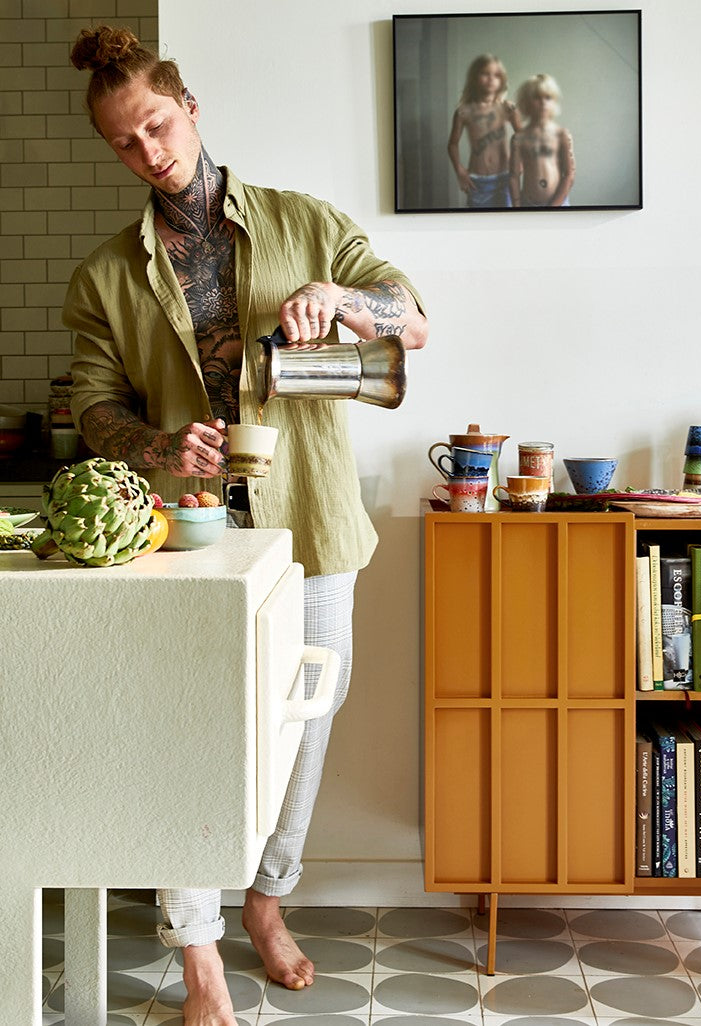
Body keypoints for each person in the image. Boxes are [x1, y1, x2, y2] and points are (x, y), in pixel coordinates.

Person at [66, 25, 428, 1026]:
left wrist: (343, 297)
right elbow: (91, 405)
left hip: (311, 518)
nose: (148, 152)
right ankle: (198, 955)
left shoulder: (308, 221)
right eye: (124, 144)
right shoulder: (106, 276)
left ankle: (265, 899)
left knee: (304, 717)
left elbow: (412, 318)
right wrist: (150, 445)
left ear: (189, 108)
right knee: (189, 726)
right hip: (189, 536)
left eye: (156, 125)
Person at [447, 53, 521, 208]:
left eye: (496, 75)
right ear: (475, 77)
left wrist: (521, 164)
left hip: (505, 177)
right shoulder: (463, 111)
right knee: (479, 226)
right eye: (485, 74)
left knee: (506, 226)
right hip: (477, 181)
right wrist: (459, 170)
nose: (491, 78)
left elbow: (524, 137)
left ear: (502, 80)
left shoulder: (508, 108)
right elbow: (452, 144)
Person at [509, 73, 576, 208]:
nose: (543, 102)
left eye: (548, 97)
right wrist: (516, 206)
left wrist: (554, 207)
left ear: (554, 102)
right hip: (528, 204)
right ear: (526, 102)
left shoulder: (561, 135)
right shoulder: (519, 138)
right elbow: (514, 176)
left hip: (559, 204)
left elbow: (569, 174)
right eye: (537, 97)